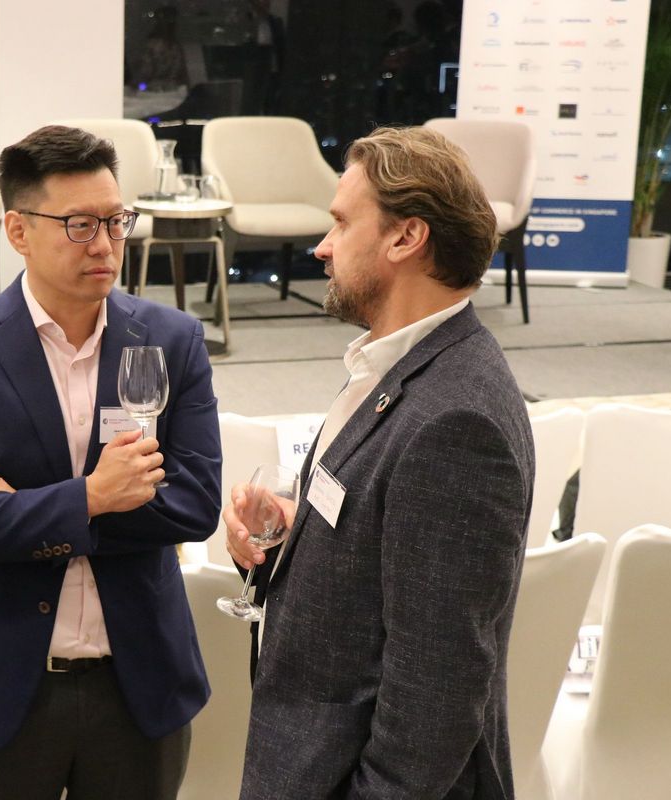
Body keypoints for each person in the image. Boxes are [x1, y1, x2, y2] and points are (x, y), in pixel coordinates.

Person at [0, 124, 222, 800]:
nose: (104, 245)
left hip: (139, 683)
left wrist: (19, 505)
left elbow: (194, 505)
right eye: (79, 225)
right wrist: (93, 497)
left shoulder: (170, 340)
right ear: (18, 230)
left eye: (116, 221)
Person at [225, 126, 535, 799]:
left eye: (342, 223)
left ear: (405, 237)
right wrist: (293, 533)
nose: (322, 246)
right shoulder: (397, 366)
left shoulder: (456, 421)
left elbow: (438, 690)